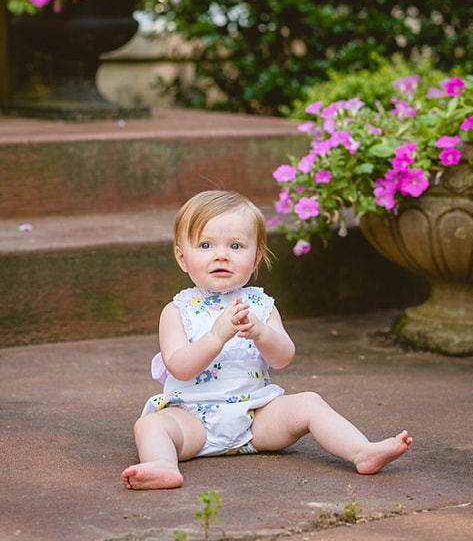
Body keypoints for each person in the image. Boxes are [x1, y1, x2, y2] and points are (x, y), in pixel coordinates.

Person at [122, 190, 411, 489]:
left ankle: (361, 451)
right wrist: (217, 335)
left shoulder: (260, 306)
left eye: (236, 245)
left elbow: (282, 358)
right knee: (151, 425)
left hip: (256, 417)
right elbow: (180, 367)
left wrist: (262, 333)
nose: (221, 255)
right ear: (182, 258)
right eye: (206, 245)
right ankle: (162, 465)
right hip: (194, 420)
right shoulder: (177, 311)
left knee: (310, 402)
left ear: (256, 256)